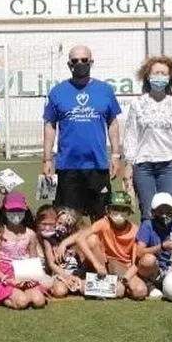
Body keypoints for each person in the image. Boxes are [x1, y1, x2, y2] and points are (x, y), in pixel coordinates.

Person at [42, 45, 122, 220]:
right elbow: (49, 125)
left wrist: (116, 155)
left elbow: (113, 122)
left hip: (98, 166)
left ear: (91, 62)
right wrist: (47, 158)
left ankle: (96, 248)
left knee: (100, 218)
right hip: (68, 166)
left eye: (84, 60)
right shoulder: (57, 92)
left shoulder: (105, 90)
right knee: (67, 218)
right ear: (69, 64)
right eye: (75, 61)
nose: (80, 64)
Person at [122, 56, 172, 223]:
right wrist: (129, 165)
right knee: (147, 212)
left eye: (164, 73)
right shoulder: (137, 104)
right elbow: (131, 135)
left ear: (170, 78)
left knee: (167, 212)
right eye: (156, 73)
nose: (160, 76)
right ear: (148, 76)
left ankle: (167, 248)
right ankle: (147, 248)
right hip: (143, 166)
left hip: (169, 166)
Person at [76, 191, 147, 300]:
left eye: (123, 209)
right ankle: (103, 284)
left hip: (123, 266)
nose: (119, 213)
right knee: (92, 239)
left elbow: (135, 263)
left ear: (129, 212)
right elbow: (80, 238)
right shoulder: (104, 223)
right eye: (115, 208)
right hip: (104, 263)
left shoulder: (135, 231)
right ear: (107, 210)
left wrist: (125, 280)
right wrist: (97, 265)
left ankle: (103, 288)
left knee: (140, 291)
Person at [0, 192, 47, 310]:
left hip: (24, 273)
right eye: (12, 211)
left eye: (19, 211)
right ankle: (1, 295)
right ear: (5, 211)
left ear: (25, 211)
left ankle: (21, 293)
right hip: (4, 274)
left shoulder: (30, 234)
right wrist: (7, 279)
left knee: (39, 301)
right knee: (22, 302)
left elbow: (33, 260)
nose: (16, 214)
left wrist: (32, 278)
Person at [37, 205, 86, 298]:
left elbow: (83, 232)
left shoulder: (75, 239)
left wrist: (64, 244)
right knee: (60, 291)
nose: (61, 227)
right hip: (60, 274)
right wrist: (66, 277)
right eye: (59, 223)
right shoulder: (49, 240)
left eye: (66, 225)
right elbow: (52, 264)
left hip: (76, 273)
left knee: (87, 287)